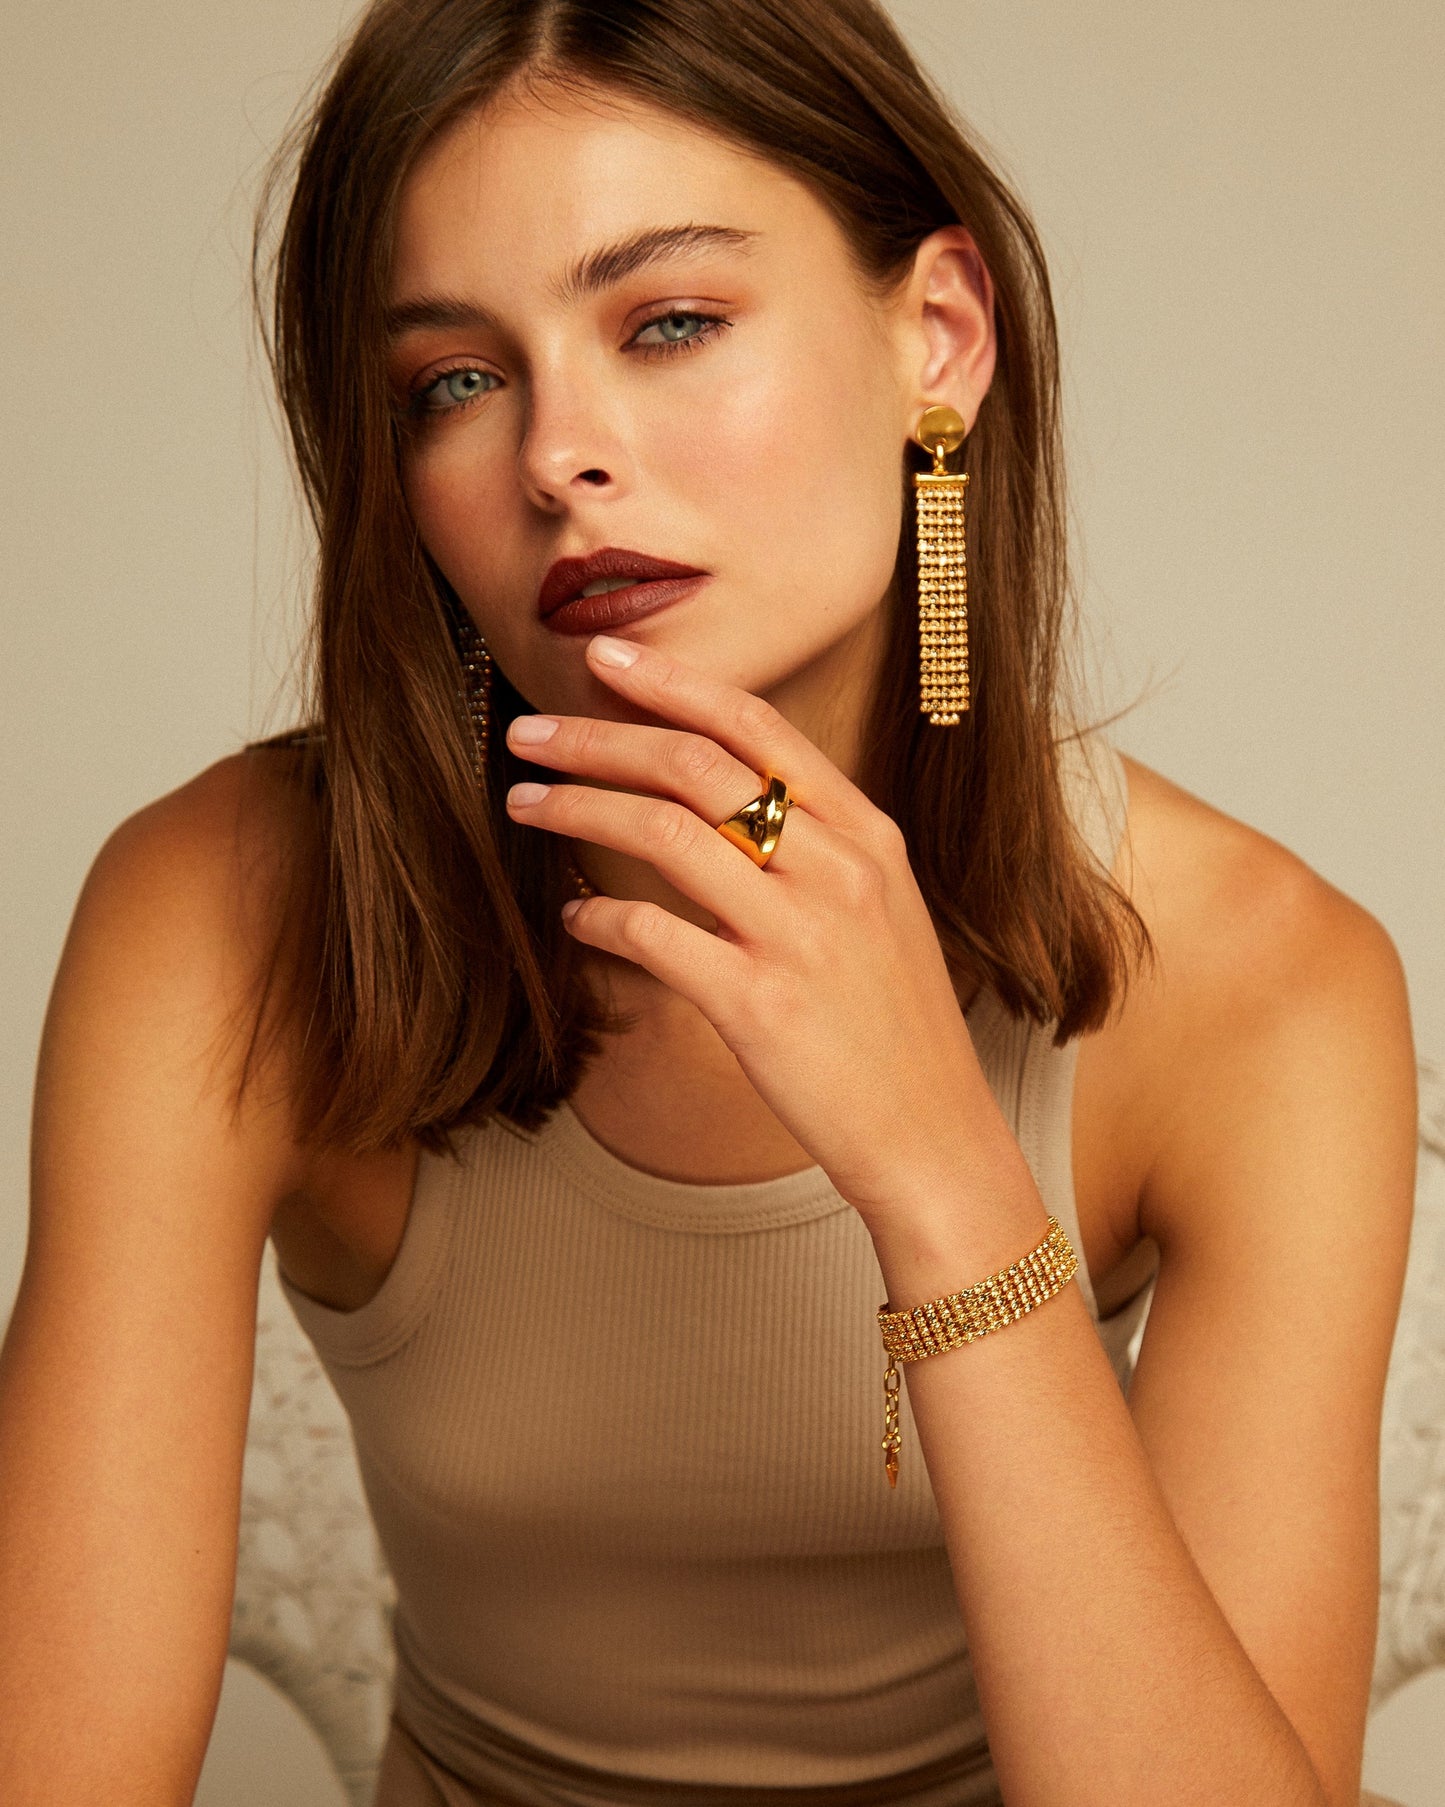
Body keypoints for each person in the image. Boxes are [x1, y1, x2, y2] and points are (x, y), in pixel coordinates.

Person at [0, 1, 1418, 1803]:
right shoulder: (224, 913)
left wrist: (939, 1169)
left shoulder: (1261, 982)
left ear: (936, 338)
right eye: (455, 381)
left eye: (667, 322)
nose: (555, 454)